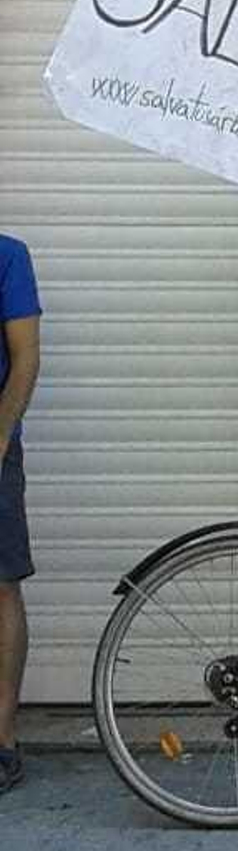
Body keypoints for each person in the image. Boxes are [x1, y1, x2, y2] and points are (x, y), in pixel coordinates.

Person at [0, 232, 42, 794]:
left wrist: (1, 434)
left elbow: (26, 355)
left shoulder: (8, 256)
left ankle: (3, 739)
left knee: (2, 587)